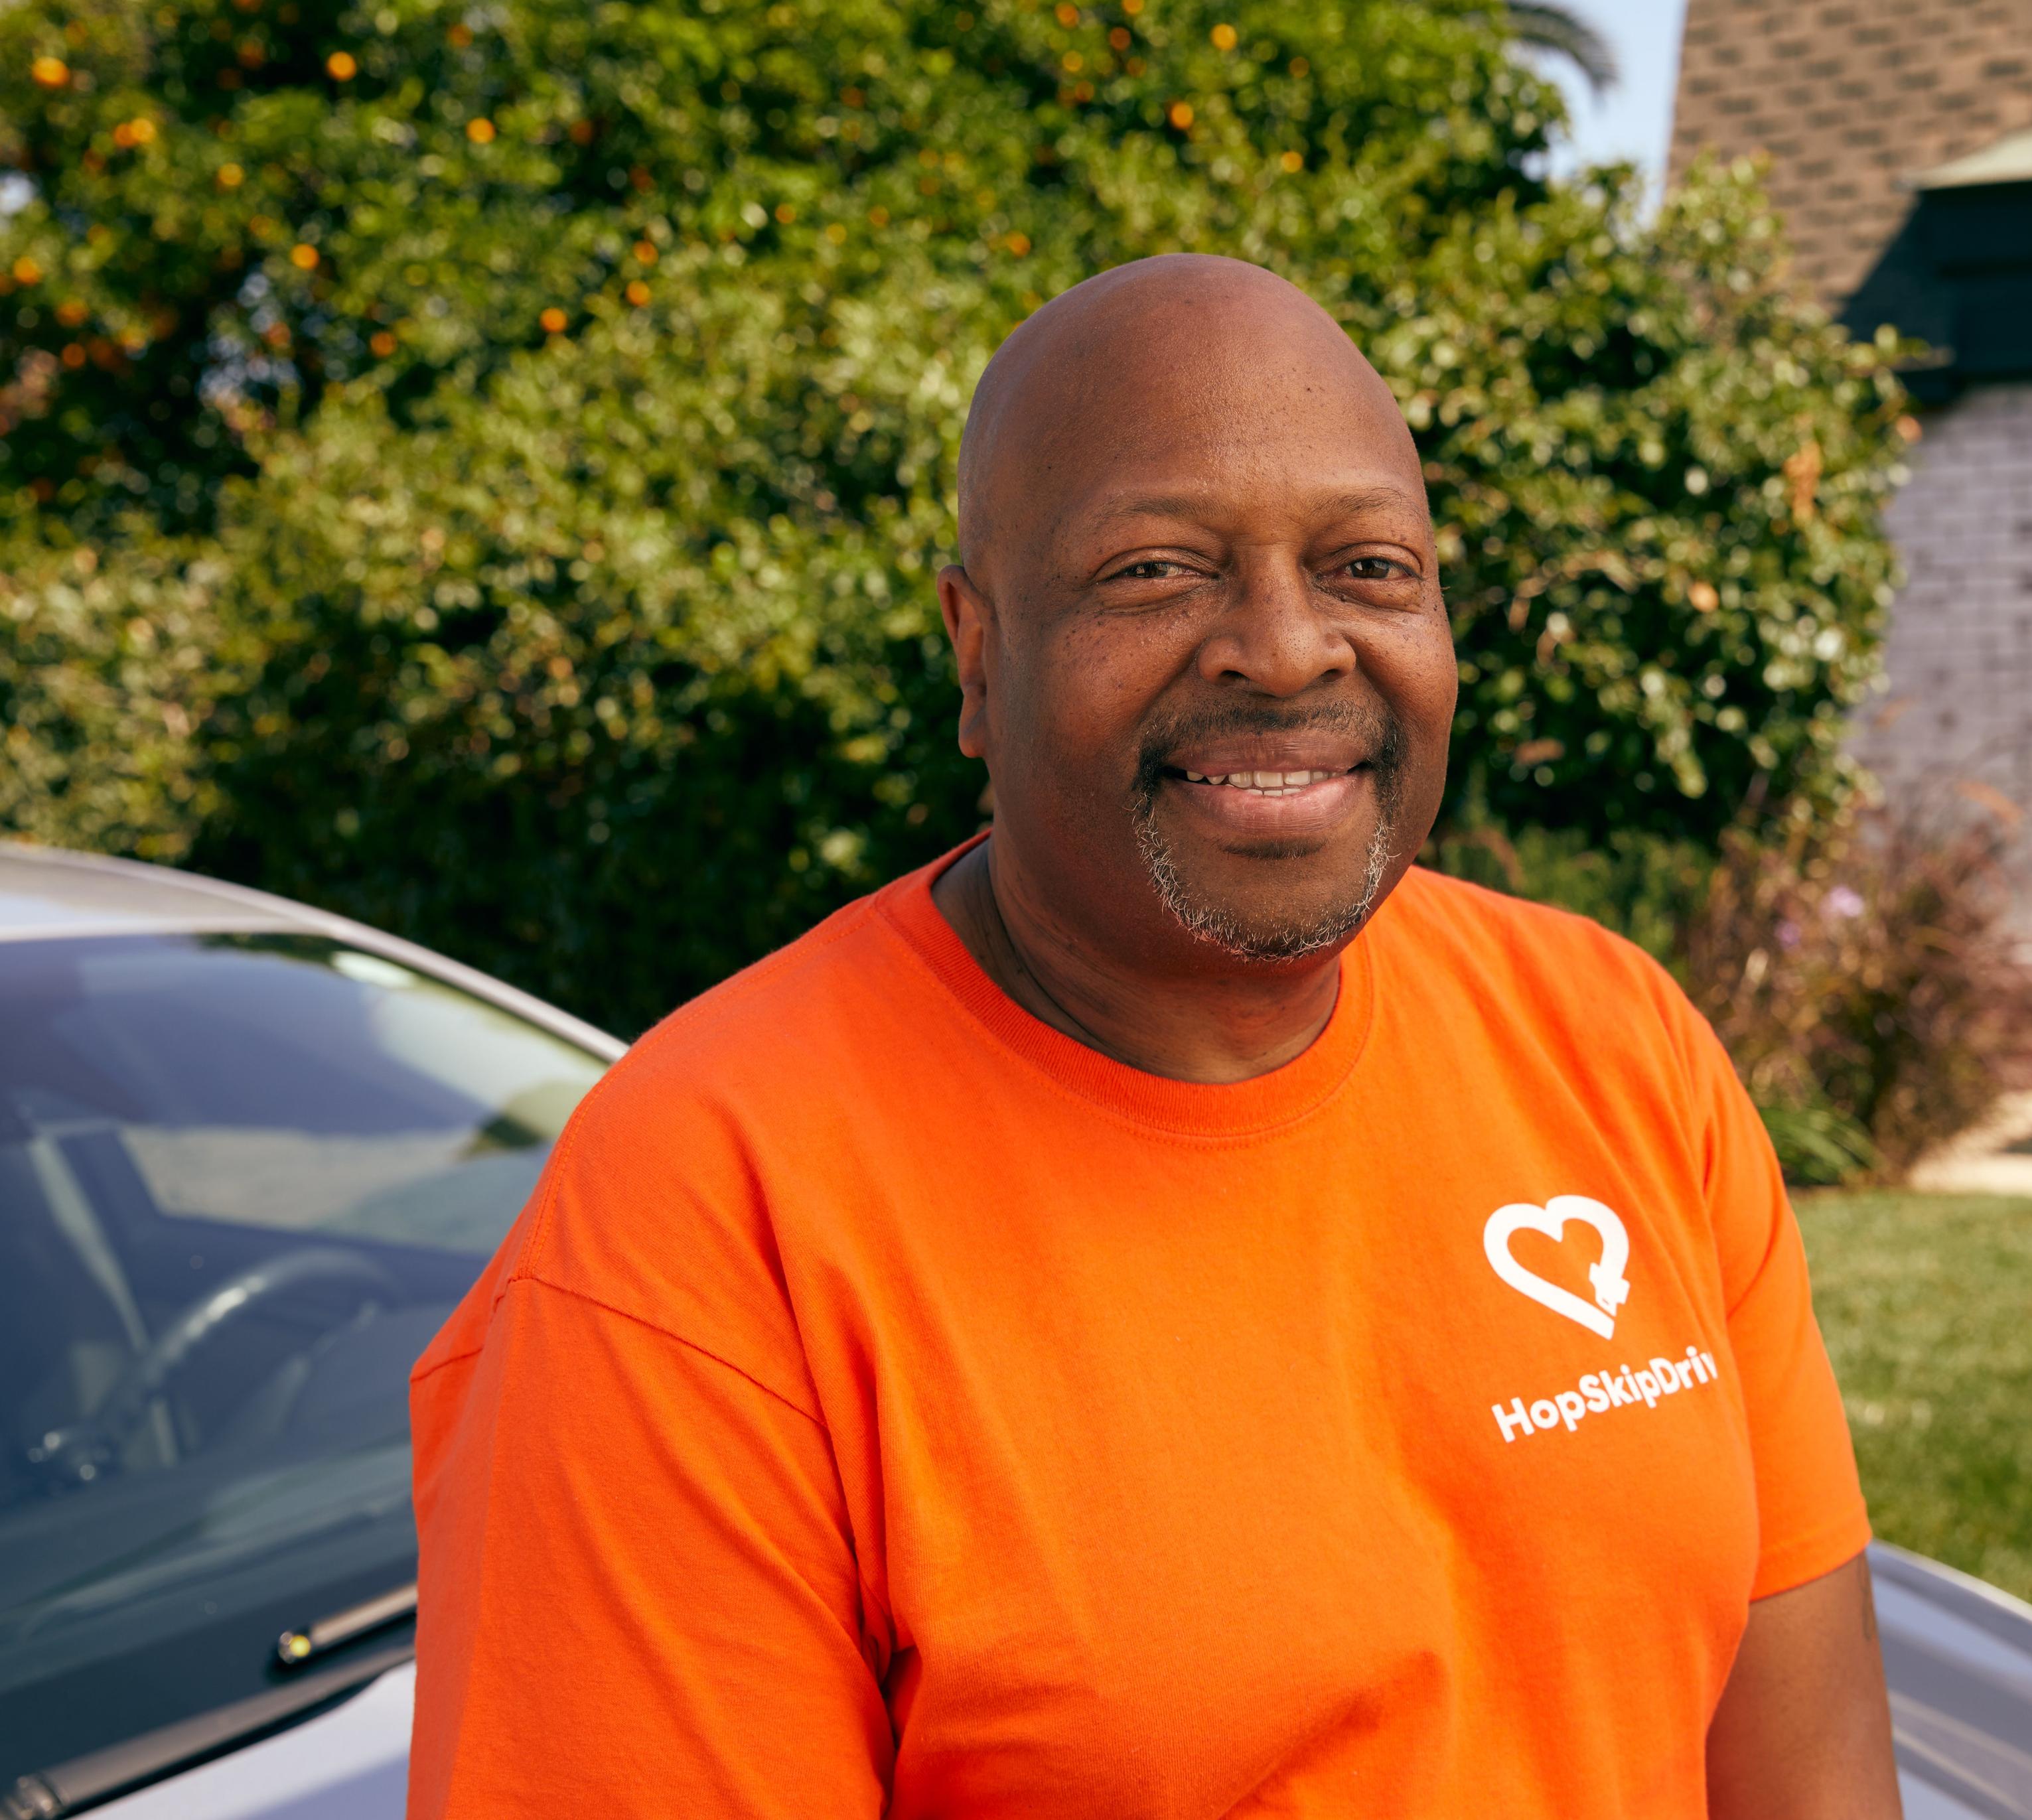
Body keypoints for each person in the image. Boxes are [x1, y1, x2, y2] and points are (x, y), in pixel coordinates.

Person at [407, 254, 1899, 1818]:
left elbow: (1813, 1775)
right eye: (1157, 571)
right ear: (978, 652)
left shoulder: (1618, 1041)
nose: (1286, 645)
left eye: (1369, 567)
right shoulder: (701, 1217)